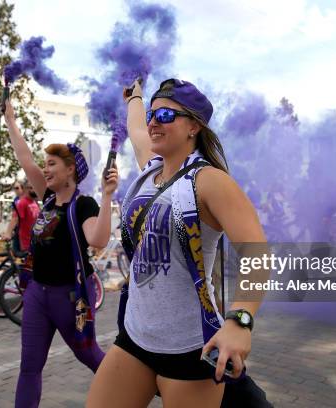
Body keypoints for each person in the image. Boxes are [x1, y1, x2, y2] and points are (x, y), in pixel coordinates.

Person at [86, 79, 267, 408]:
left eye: (166, 115)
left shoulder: (209, 181)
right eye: (153, 114)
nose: (154, 122)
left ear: (193, 126)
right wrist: (136, 97)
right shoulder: (150, 171)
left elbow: (257, 252)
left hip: (190, 349)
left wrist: (240, 321)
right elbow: (137, 126)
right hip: (136, 338)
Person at [4, 99, 118, 408]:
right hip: (37, 296)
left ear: (70, 170)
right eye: (47, 164)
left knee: (90, 355)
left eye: (52, 164)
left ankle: (132, 386)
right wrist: (11, 120)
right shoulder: (48, 199)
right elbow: (25, 159)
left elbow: (97, 239)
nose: (45, 169)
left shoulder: (84, 205)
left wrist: (107, 197)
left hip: (69, 299)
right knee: (29, 367)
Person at [2, 180, 40, 252]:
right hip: (26, 243)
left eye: (35, 187)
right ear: (26, 189)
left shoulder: (34, 202)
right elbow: (15, 218)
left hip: (34, 241)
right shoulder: (22, 202)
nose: (34, 189)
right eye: (31, 187)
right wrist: (8, 233)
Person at [10, 180, 24, 253]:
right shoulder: (15, 200)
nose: (15, 190)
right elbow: (14, 215)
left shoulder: (27, 199)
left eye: (17, 188)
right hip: (17, 228)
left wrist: (8, 232)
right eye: (14, 188)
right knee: (16, 251)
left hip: (25, 229)